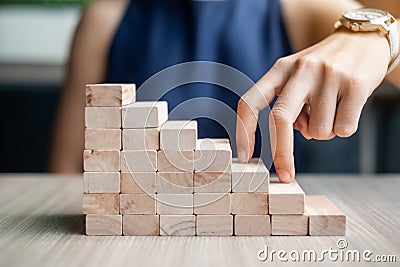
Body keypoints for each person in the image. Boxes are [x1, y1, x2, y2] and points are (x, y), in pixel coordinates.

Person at [49, 0, 400, 183]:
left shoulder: (302, 10)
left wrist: (377, 44)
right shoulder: (103, 19)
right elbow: (67, 168)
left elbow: (384, 38)